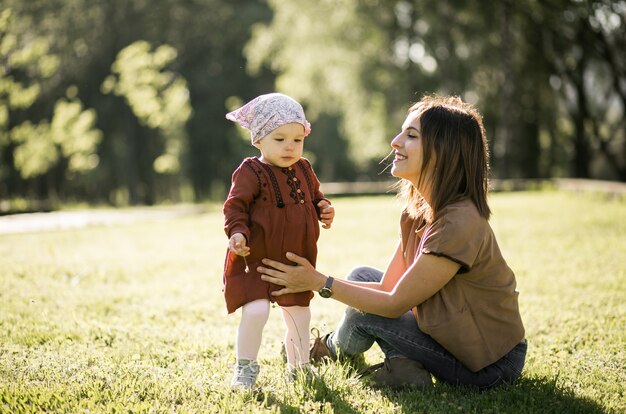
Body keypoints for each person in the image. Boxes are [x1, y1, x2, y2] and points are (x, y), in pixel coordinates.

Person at [258, 94, 526, 389]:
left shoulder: (458, 223)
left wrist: (317, 281)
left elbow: (393, 303)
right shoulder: (418, 212)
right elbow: (388, 287)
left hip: (488, 365)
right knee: (361, 276)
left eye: (410, 135)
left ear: (444, 150)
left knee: (366, 316)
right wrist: (321, 281)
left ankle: (329, 350)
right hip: (451, 334)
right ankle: (402, 366)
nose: (395, 142)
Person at [223, 93, 335, 389]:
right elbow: (235, 206)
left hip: (295, 259)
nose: (290, 146)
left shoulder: (304, 169)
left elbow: (316, 197)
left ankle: (300, 367)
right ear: (258, 139)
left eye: (297, 140)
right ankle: (245, 367)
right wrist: (237, 233)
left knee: (299, 315)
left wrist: (324, 208)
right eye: (279, 138)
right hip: (257, 259)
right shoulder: (250, 171)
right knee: (256, 311)